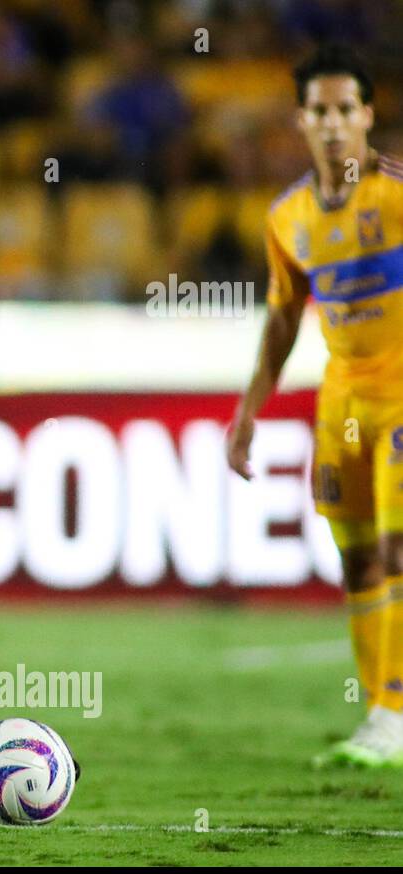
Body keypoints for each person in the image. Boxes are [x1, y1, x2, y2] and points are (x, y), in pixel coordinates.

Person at [228, 42, 403, 768]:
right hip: (342, 401)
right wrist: (247, 412)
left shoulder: (397, 195)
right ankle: (378, 717)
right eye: (319, 111)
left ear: (367, 114)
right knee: (357, 559)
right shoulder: (287, 217)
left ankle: (395, 714)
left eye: (345, 109)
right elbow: (281, 320)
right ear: (301, 119)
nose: (333, 124)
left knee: (397, 550)